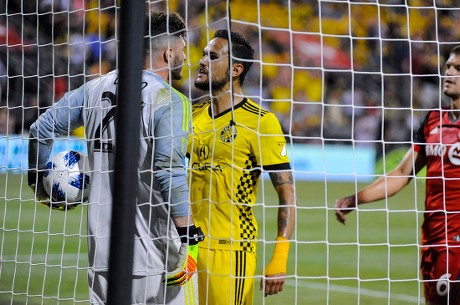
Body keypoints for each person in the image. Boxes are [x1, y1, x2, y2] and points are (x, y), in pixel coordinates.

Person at [28, 10, 203, 305]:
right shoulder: (171, 101)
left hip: (102, 256)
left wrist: (39, 185)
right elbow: (168, 170)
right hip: (155, 257)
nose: (186, 57)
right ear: (168, 52)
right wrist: (189, 238)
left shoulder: (94, 87)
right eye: (184, 50)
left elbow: (40, 129)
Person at [335, 45, 460, 305]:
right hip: (433, 238)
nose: (448, 72)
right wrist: (356, 198)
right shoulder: (433, 120)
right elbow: (403, 172)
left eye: (457, 69)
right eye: (448, 66)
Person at [187, 29, 296, 305]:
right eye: (202, 54)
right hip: (186, 249)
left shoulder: (261, 122)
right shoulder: (191, 114)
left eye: (212, 56)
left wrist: (279, 258)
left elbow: (287, 194)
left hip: (231, 249)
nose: (201, 61)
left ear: (236, 69)